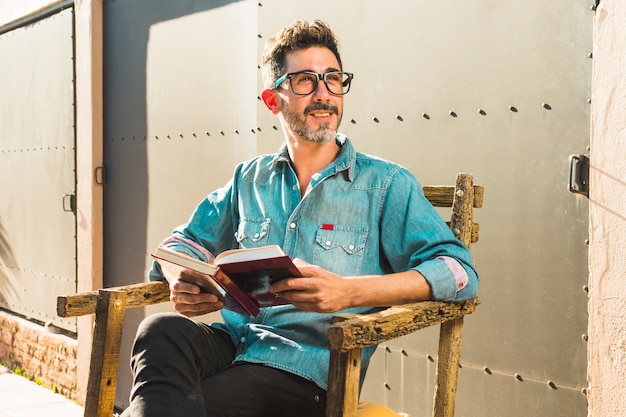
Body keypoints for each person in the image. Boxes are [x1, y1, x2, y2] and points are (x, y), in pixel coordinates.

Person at [121, 19, 479, 417]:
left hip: (307, 371)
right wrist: (183, 281)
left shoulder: (386, 185)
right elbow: (178, 245)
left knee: (188, 400)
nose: (325, 94)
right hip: (234, 345)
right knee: (159, 331)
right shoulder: (249, 179)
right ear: (273, 100)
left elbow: (458, 272)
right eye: (306, 81)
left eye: (333, 79)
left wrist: (350, 292)